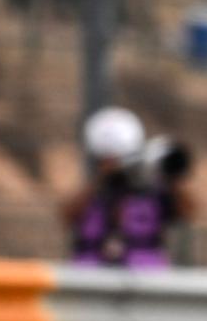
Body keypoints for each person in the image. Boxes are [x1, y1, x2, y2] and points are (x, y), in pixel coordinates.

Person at [64, 107, 193, 267]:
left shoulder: (152, 191)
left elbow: (187, 211)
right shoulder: (95, 192)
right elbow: (67, 215)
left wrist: (171, 178)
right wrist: (103, 177)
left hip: (146, 276)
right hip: (92, 274)